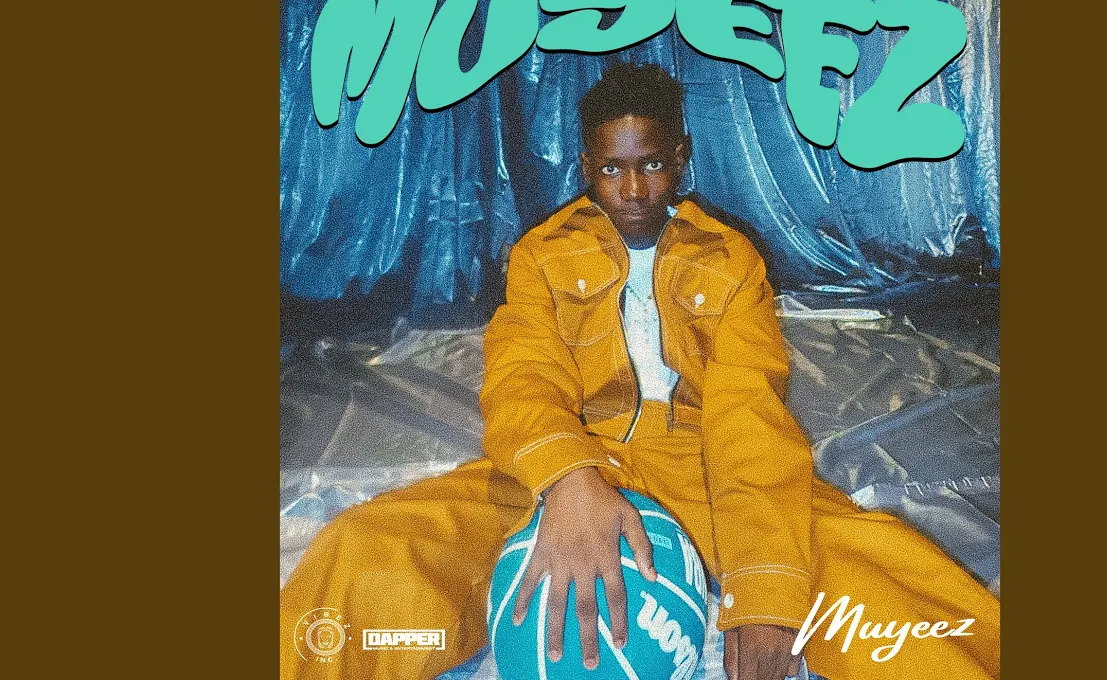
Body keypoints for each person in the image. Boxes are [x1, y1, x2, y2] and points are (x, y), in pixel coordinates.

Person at [280, 63, 1000, 680]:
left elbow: (748, 414)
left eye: (651, 164)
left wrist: (765, 592)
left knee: (894, 585)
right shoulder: (542, 255)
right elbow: (522, 378)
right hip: (570, 459)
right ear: (585, 166)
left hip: (707, 470)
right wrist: (568, 480)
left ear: (680, 156)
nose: (631, 189)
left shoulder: (730, 259)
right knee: (370, 553)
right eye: (610, 168)